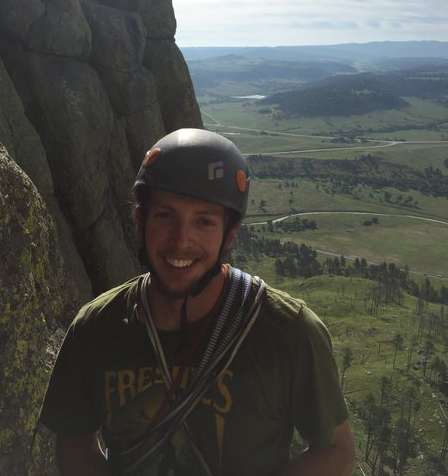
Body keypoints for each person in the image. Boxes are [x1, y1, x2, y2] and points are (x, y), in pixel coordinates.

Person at [40, 128, 355, 476]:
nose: (181, 240)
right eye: (165, 215)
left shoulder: (289, 331)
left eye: (203, 221)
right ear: (139, 220)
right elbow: (74, 439)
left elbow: (335, 449)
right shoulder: (95, 327)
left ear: (229, 235)